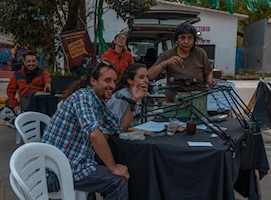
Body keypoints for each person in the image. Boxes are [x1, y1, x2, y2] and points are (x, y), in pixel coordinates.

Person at [41, 60, 147, 200]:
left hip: (71, 164)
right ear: (93, 80)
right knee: (117, 181)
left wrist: (133, 100)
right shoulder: (84, 98)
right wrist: (114, 167)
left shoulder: (97, 101)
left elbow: (120, 126)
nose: (112, 86)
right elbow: (95, 135)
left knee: (106, 171)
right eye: (107, 80)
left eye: (114, 81)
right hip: (55, 173)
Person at [148, 22, 217, 102]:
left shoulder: (200, 53)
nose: (186, 42)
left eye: (190, 38)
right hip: (174, 101)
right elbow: (149, 75)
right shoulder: (167, 55)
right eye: (182, 38)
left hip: (198, 99)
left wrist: (209, 80)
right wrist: (165, 63)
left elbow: (208, 72)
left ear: (194, 40)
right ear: (176, 40)